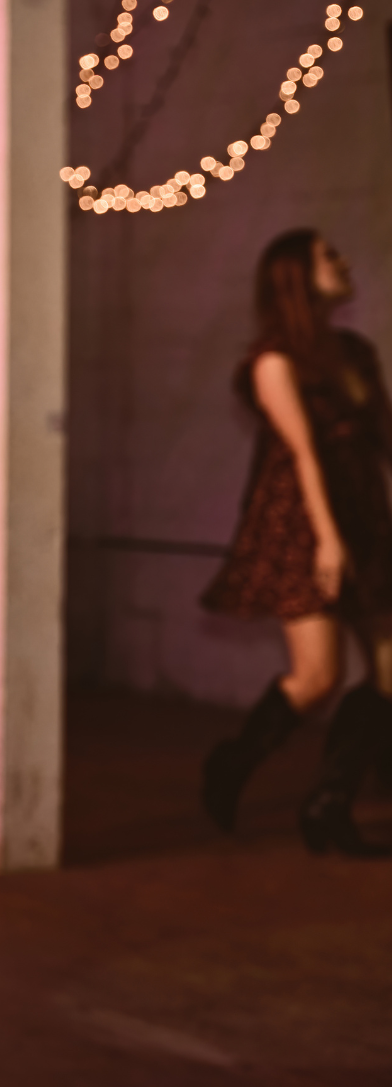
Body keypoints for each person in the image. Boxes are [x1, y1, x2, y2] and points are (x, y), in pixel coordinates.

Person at [201, 228, 392, 857]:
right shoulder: (274, 362)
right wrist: (329, 542)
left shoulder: (354, 353)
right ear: (296, 277)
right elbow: (305, 455)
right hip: (304, 526)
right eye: (328, 256)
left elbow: (381, 438)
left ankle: (327, 808)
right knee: (317, 678)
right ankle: (232, 763)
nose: (344, 261)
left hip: (365, 516)